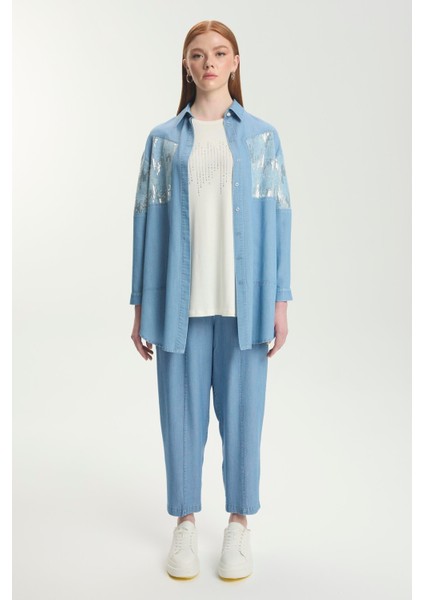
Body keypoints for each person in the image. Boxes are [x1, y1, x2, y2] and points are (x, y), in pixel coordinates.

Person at [129, 20, 293, 581]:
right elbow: (144, 223)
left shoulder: (262, 138)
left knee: (244, 419)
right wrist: (139, 305)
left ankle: (239, 526)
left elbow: (279, 220)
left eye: (220, 53)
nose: (209, 63)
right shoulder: (163, 141)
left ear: (235, 61)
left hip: (245, 307)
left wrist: (280, 300)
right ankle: (184, 523)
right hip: (179, 306)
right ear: (186, 65)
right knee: (181, 420)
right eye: (198, 55)